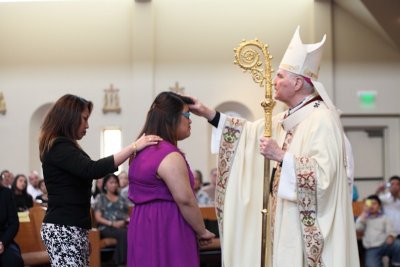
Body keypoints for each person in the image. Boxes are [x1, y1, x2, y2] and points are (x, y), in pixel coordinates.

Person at [189, 26, 359, 267]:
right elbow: (248, 133)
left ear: (298, 83)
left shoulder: (322, 120)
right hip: (283, 220)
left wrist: (281, 156)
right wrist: (209, 114)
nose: (273, 81)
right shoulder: (288, 117)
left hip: (305, 229)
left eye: (280, 76)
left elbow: (324, 178)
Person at [38, 94, 161, 266]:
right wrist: (133, 147)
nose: (87, 125)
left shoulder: (65, 145)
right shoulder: (59, 146)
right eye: (84, 118)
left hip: (72, 228)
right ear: (70, 117)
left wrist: (82, 234)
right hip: (63, 228)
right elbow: (92, 169)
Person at [127, 91, 215, 267]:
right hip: (167, 226)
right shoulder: (167, 154)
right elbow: (186, 200)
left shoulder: (140, 150)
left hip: (142, 224)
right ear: (171, 118)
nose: (190, 120)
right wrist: (202, 231)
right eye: (187, 114)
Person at [94, 173, 129, 266]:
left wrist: (126, 221)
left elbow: (125, 215)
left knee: (130, 231)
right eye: (111, 182)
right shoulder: (101, 197)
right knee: (124, 233)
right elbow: (98, 218)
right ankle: (121, 263)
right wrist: (112, 223)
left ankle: (116, 262)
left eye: (116, 182)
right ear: (105, 184)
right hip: (106, 227)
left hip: (121, 227)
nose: (114, 185)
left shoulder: (121, 198)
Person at [355, 195, 400, 267]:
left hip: (385, 244)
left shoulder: (384, 217)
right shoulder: (364, 218)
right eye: (370, 204)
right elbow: (358, 228)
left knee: (398, 245)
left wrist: (390, 236)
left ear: (379, 206)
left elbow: (390, 229)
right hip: (371, 248)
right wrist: (363, 214)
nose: (372, 206)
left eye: (374, 203)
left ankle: (395, 264)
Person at [0, 183, 24, 267]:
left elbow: (14, 223)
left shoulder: (5, 193)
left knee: (13, 261)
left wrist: (2, 243)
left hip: (3, 239)